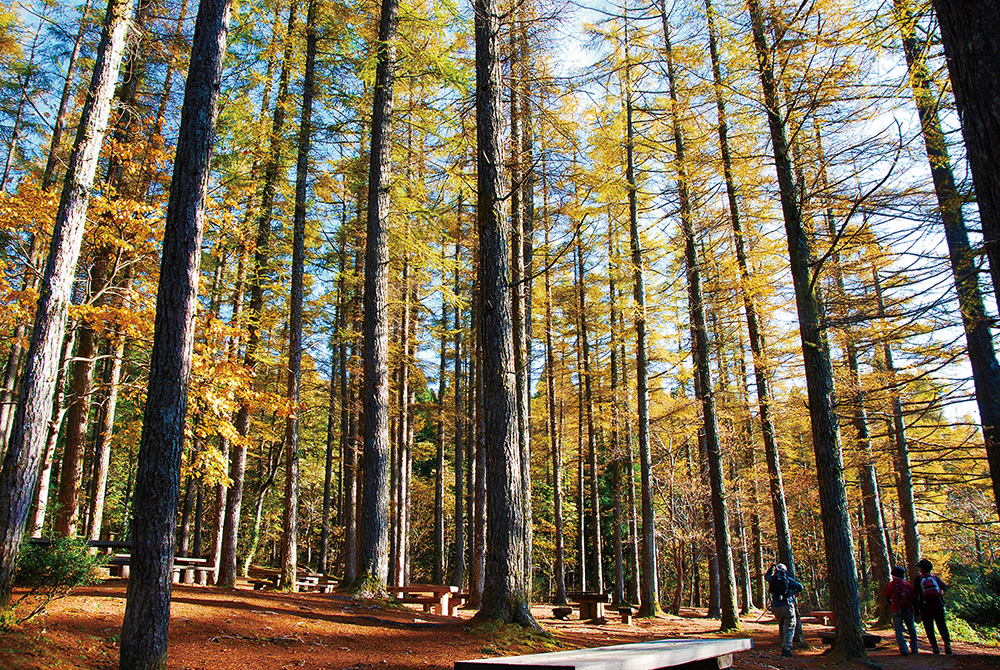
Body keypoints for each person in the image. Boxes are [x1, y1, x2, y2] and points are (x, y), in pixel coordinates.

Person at [765, 563, 803, 658]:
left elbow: (767, 576)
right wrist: (795, 591)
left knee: (781, 626)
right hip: (787, 606)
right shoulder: (787, 580)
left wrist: (770, 568)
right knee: (789, 627)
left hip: (777, 607)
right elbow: (800, 587)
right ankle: (786, 649)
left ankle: (783, 644)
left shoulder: (773, 579)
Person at [916, 558, 952, 655]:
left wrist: (916, 609)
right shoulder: (934, 578)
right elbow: (945, 587)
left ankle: (935, 647)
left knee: (929, 627)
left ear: (921, 569)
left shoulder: (918, 579)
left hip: (925, 605)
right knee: (941, 624)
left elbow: (915, 594)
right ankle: (947, 644)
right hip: (938, 604)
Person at [884, 566, 919, 655]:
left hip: (895, 610)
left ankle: (903, 649)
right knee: (911, 628)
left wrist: (892, 605)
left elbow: (887, 597)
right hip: (908, 610)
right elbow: (914, 598)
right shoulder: (908, 585)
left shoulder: (890, 585)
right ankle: (915, 648)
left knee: (898, 630)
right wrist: (915, 610)